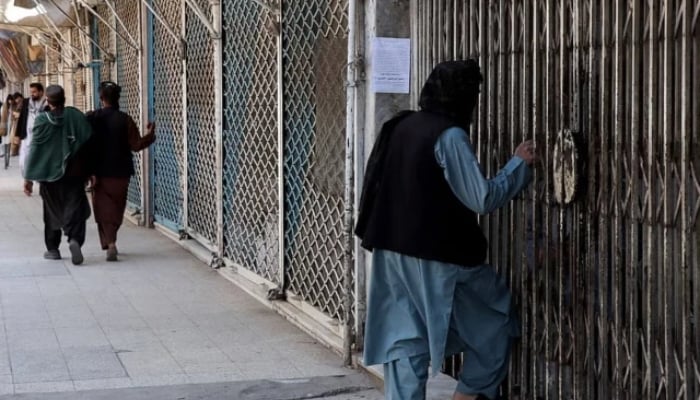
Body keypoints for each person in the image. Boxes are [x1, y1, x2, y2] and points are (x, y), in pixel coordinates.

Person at [355, 60, 537, 400]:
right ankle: (470, 394)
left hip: (391, 252)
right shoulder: (449, 135)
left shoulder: (399, 124)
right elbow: (481, 198)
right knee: (494, 320)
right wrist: (518, 165)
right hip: (441, 256)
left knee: (405, 340)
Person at [23, 85, 93, 266]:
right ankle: (74, 239)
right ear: (64, 99)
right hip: (74, 173)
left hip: (48, 176)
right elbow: (87, 143)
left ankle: (53, 249)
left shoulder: (41, 120)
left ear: (48, 100)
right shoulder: (76, 116)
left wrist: (28, 178)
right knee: (75, 208)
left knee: (51, 211)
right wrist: (90, 171)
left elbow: (35, 149)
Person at [87, 81, 155, 261]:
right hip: (121, 173)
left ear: (101, 98)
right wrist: (150, 135)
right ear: (118, 98)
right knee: (117, 208)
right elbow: (136, 145)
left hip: (98, 173)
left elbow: (82, 143)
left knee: (102, 209)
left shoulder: (92, 118)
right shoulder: (125, 120)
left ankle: (110, 243)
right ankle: (111, 241)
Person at [17, 83, 47, 187]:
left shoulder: (46, 105)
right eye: (31, 92)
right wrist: (18, 135)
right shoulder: (26, 102)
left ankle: (39, 179)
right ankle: (28, 179)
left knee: (39, 159)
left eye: (34, 92)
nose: (32, 94)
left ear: (41, 92)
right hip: (27, 136)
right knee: (23, 160)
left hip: (41, 137)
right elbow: (22, 119)